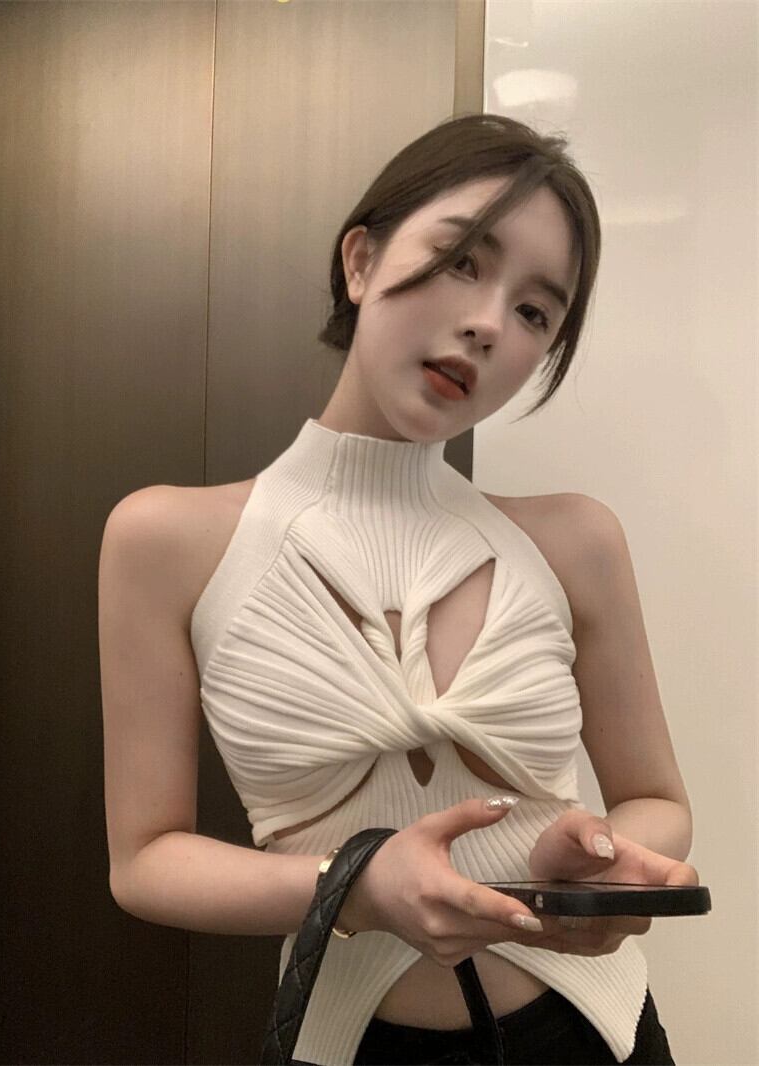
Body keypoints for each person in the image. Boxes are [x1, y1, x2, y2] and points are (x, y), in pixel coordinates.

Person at [98, 112, 699, 1066]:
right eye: (462, 260)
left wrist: (595, 858)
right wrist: (357, 885)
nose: (489, 323)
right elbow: (146, 861)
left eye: (535, 313)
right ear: (361, 261)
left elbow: (657, 799)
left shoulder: (577, 541)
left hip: (598, 1037)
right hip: (350, 1044)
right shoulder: (165, 541)